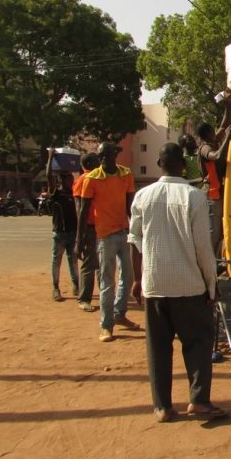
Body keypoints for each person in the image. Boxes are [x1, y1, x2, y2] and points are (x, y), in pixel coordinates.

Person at [128, 142, 226, 423]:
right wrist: (211, 284)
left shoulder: (142, 197)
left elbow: (134, 241)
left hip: (155, 284)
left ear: (159, 163)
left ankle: (162, 407)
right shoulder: (194, 197)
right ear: (183, 166)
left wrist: (138, 280)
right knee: (197, 342)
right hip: (189, 286)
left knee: (158, 347)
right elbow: (203, 248)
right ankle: (199, 401)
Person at [77, 141, 138, 342]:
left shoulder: (125, 175)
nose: (103, 159)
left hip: (123, 233)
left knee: (128, 278)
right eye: (101, 156)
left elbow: (131, 207)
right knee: (107, 282)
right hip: (104, 236)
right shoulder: (91, 179)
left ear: (115, 156)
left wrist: (137, 230)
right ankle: (106, 325)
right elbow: (84, 211)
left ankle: (119, 314)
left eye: (107, 155)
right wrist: (80, 240)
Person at [197, 102, 231, 255]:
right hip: (212, 195)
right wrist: (228, 138)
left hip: (217, 193)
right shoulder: (205, 148)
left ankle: (215, 261)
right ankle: (210, 263)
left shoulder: (212, 142)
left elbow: (224, 124)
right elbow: (217, 156)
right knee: (215, 233)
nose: (216, 132)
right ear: (208, 134)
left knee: (219, 231)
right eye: (213, 130)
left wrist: (227, 105)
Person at [46, 149, 80, 302]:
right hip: (59, 234)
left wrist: (77, 162)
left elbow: (82, 174)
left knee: (73, 261)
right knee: (56, 261)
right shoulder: (56, 194)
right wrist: (51, 156)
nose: (71, 181)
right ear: (62, 181)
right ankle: (55, 288)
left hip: (73, 233)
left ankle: (76, 286)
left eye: (71, 179)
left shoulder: (74, 194)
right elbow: (48, 176)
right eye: (68, 180)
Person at [73, 152, 101, 312]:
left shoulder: (95, 178)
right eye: (98, 160)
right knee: (89, 264)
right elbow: (79, 208)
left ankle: (103, 296)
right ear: (90, 163)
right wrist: (80, 235)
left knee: (99, 264)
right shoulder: (84, 179)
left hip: (99, 225)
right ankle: (84, 298)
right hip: (89, 227)